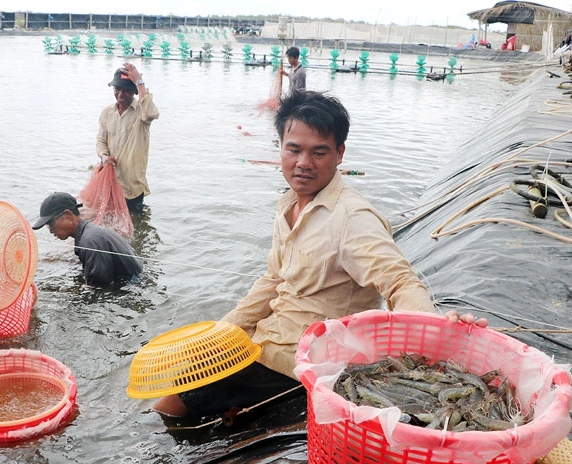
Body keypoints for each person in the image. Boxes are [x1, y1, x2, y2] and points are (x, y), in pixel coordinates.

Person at [153, 91, 486, 418]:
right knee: (187, 368)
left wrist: (433, 331)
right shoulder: (288, 205)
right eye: (293, 150)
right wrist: (223, 332)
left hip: (300, 364)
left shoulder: (352, 218)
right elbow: (273, 280)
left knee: (170, 403)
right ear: (280, 148)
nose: (303, 164)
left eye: (319, 152)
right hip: (266, 341)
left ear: (340, 153)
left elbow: (399, 281)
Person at [32, 192, 143, 285]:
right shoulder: (90, 233)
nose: (51, 230)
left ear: (68, 215)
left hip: (134, 286)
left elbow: (100, 288)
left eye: (51, 223)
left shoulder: (90, 241)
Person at [96, 63, 160, 215]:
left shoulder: (142, 113)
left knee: (135, 228)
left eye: (126, 90)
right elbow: (101, 141)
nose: (121, 93)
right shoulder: (107, 112)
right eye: (117, 89)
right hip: (110, 182)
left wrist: (140, 83)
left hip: (132, 186)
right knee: (110, 223)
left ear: (134, 92)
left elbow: (152, 113)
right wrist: (104, 157)